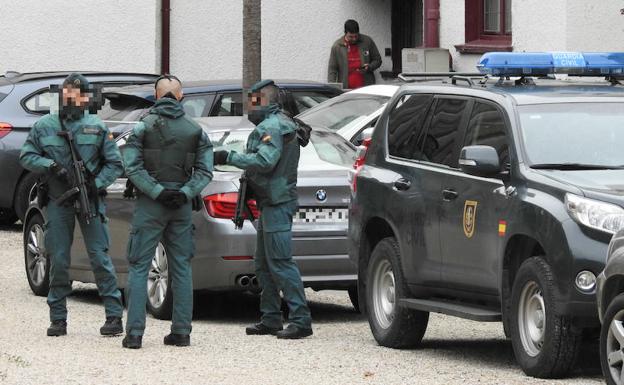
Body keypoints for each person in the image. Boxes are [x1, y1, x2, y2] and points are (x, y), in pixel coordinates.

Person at [20, 73, 124, 337]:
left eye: (77, 94)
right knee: (59, 258)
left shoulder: (97, 127)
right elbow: (27, 155)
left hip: (89, 200)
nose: (72, 99)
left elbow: (115, 164)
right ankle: (58, 318)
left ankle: (113, 315)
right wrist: (50, 166)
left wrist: (96, 184)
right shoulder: (45, 126)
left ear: (86, 98)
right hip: (58, 200)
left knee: (99, 257)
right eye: (68, 94)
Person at [213, 79, 313, 339]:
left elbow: (266, 161)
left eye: (253, 101)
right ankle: (270, 318)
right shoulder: (278, 123)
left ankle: (301, 320)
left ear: (266, 100)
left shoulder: (273, 125)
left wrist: (229, 157)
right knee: (264, 264)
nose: (249, 106)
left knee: (280, 262)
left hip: (277, 203)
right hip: (271, 202)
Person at [121, 74, 213, 349]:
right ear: (181, 96)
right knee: (182, 266)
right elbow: (205, 171)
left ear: (156, 95)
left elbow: (132, 167)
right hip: (181, 205)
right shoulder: (196, 130)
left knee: (139, 266)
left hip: (151, 203)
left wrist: (157, 191)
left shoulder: (142, 127)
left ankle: (135, 334)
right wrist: (185, 192)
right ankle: (181, 332)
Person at [328, 19, 382, 89]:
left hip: (367, 88)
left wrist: (369, 67)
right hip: (346, 90)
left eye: (356, 36)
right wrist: (332, 88)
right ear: (345, 33)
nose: (354, 39)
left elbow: (378, 60)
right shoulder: (337, 46)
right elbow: (332, 69)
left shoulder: (367, 41)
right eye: (351, 37)